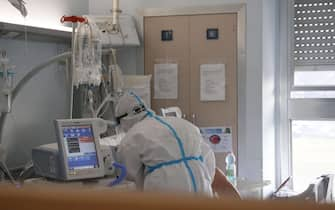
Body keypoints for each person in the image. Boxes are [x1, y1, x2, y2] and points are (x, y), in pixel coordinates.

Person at [115, 92, 240, 198]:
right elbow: (209, 162)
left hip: (168, 195)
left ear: (123, 120)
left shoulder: (133, 135)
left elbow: (126, 174)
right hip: (202, 191)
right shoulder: (184, 125)